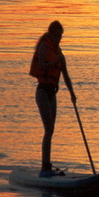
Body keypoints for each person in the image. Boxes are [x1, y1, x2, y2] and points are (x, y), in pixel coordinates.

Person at [29, 20, 75, 177]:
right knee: (48, 129)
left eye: (61, 36)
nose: (60, 39)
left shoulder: (59, 53)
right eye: (58, 35)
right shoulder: (43, 46)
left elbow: (66, 76)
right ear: (52, 34)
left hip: (52, 93)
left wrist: (72, 94)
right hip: (42, 92)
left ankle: (47, 164)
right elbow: (42, 65)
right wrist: (55, 62)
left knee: (51, 130)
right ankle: (45, 167)